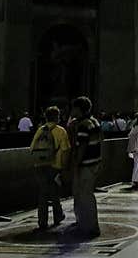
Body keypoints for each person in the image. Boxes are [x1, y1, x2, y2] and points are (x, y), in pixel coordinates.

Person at [29, 104, 71, 230]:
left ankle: (42, 222)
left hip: (40, 166)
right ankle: (58, 216)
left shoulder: (40, 130)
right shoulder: (61, 131)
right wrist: (64, 167)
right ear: (57, 117)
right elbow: (65, 150)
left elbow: (31, 149)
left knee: (42, 194)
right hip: (54, 166)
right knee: (54, 193)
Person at [69, 97, 102, 237]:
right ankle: (84, 223)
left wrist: (75, 164)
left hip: (86, 164)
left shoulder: (84, 125)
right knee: (84, 194)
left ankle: (91, 226)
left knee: (85, 195)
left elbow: (81, 147)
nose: (71, 111)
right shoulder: (94, 121)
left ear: (79, 109)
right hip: (95, 162)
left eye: (73, 108)